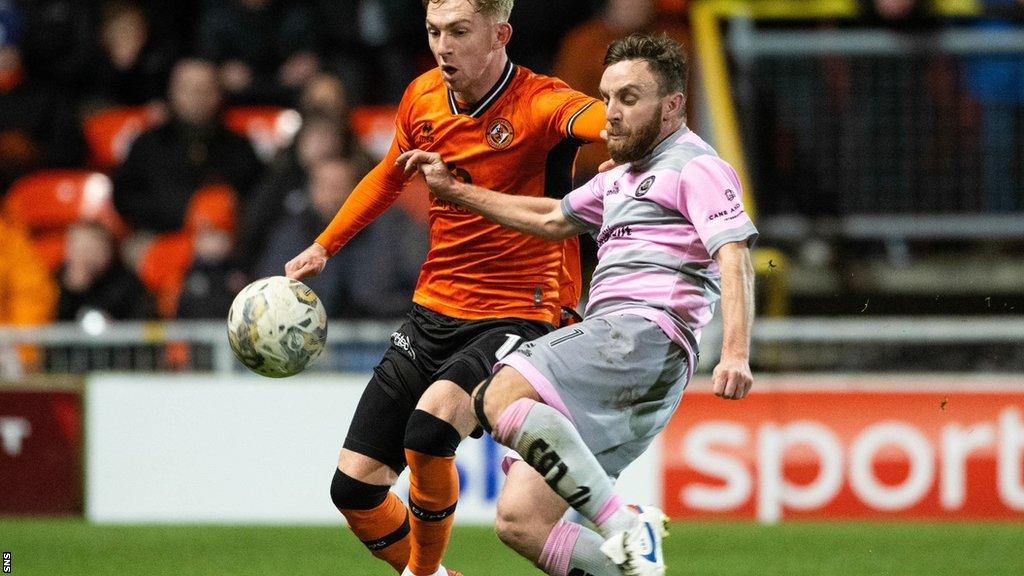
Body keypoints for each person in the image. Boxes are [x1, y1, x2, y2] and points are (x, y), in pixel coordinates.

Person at [399, 33, 757, 576]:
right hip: (632, 365)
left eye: (630, 99)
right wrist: (456, 192)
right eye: (607, 97)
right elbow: (551, 219)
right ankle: (635, 565)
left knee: (498, 392)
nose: (611, 113)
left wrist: (735, 352)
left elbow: (734, 256)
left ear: (673, 106)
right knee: (522, 521)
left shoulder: (694, 166)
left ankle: (624, 527)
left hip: (645, 331)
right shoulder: (619, 179)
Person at [284, 1, 607, 574]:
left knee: (431, 429)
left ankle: (424, 573)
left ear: (499, 33)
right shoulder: (423, 97)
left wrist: (629, 157)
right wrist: (324, 245)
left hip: (519, 315)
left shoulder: (541, 102)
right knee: (353, 489)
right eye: (434, 31)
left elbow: (610, 123)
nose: (443, 46)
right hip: (432, 312)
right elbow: (389, 173)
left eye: (459, 32)